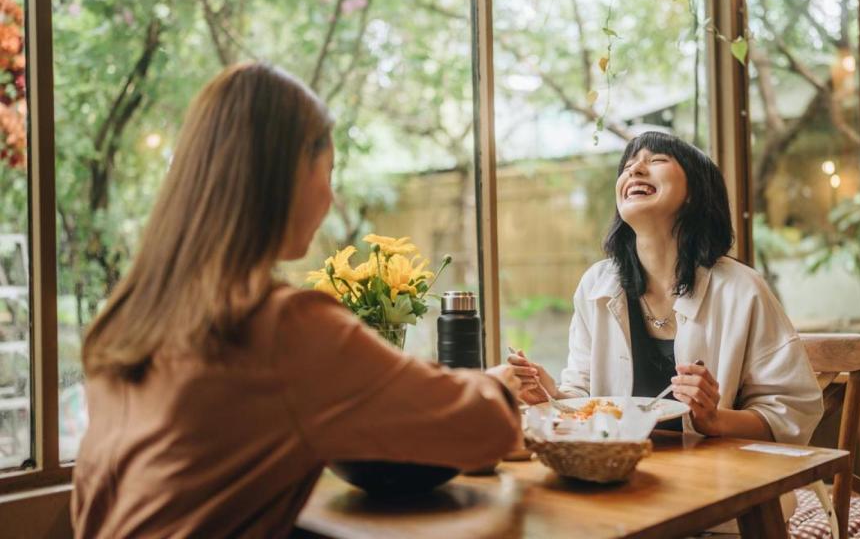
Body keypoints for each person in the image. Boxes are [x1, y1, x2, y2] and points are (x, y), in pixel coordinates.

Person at [71, 63, 522, 538]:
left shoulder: (131, 318)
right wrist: (501, 384)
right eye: (326, 171)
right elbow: (484, 428)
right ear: (281, 176)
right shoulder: (280, 325)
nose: (329, 197)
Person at [508, 131, 822, 444]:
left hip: (721, 481)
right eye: (628, 165)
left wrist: (714, 419)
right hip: (617, 475)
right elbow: (585, 399)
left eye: (656, 160)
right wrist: (550, 395)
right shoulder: (596, 286)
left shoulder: (742, 289)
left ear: (695, 193)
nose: (634, 170)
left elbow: (792, 413)